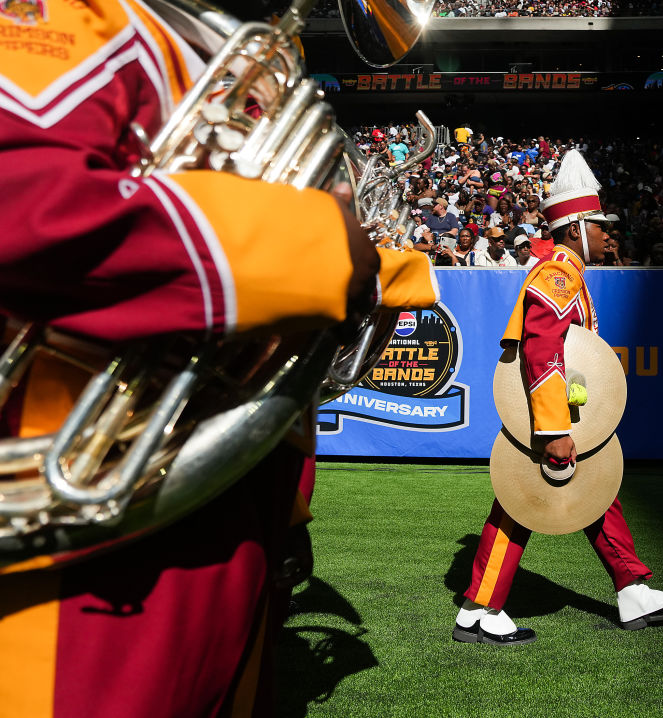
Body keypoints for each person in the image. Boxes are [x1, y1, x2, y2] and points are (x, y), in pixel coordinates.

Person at [0, 2, 438, 716]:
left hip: (215, 531)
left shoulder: (225, 55)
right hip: (83, 579)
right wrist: (312, 250)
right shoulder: (88, 19)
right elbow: (20, 200)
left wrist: (286, 514)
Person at [454, 150, 663, 645]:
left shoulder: (569, 275)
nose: (610, 234)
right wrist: (555, 428)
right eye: (600, 225)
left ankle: (631, 588)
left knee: (594, 492)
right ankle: (480, 608)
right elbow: (541, 351)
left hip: (560, 416)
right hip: (552, 418)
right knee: (521, 502)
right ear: (574, 229)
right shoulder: (559, 274)